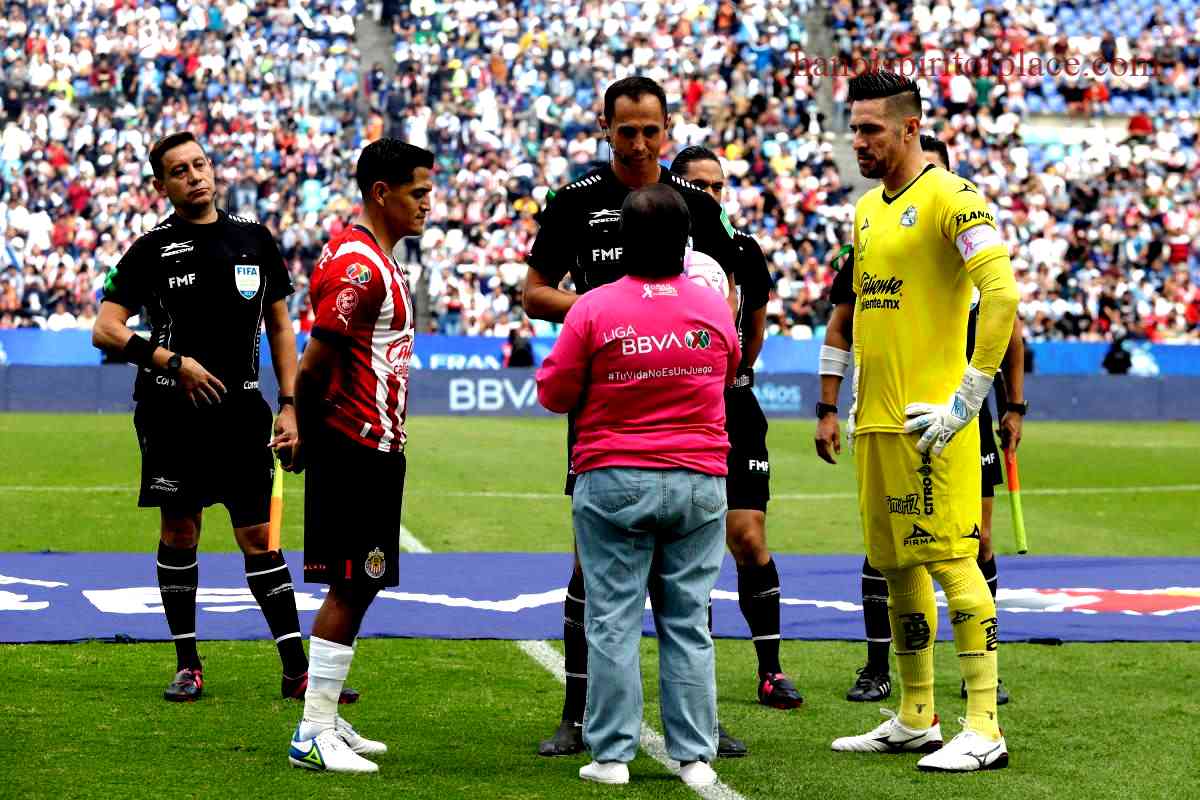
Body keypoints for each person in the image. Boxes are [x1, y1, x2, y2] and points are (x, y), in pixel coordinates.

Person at [523, 76, 747, 758]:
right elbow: (533, 291)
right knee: (590, 571)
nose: (641, 143)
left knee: (685, 575)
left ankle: (697, 722)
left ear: (667, 129)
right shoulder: (576, 201)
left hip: (682, 406)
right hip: (603, 409)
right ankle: (576, 712)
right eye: (628, 131)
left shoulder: (696, 204)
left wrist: (646, 314)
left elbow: (727, 292)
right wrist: (604, 313)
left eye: (652, 130)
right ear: (606, 127)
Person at [92, 132, 356, 706]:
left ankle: (296, 670)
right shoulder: (149, 249)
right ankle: (188, 663)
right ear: (161, 185)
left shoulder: (254, 239)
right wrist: (172, 362)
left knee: (258, 537)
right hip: (170, 412)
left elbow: (282, 326)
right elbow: (106, 328)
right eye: (179, 171)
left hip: (241, 411)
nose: (194, 176)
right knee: (179, 531)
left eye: (200, 164)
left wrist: (290, 404)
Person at [823, 71, 1019, 772]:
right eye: (854, 128)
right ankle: (915, 715)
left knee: (951, 562)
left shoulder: (954, 197)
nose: (859, 141)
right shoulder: (868, 210)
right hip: (875, 422)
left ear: (910, 128)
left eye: (871, 128)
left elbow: (1001, 295)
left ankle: (986, 727)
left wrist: (968, 400)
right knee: (894, 561)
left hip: (931, 423)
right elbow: (862, 313)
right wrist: (843, 400)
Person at [284, 138, 433, 774]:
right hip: (353, 444)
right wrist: (301, 425)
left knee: (362, 582)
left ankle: (325, 717)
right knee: (352, 583)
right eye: (418, 192)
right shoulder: (359, 267)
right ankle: (313, 730)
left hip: (375, 443)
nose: (428, 203)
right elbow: (316, 364)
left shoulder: (381, 260)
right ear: (382, 193)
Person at [669, 145, 803, 709]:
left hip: (733, 402)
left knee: (747, 536)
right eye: (698, 185)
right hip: (679, 406)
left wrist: (740, 370)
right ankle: (694, 683)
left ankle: (769, 670)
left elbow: (756, 318)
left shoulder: (744, 249)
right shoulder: (660, 248)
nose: (709, 196)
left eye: (717, 186)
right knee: (689, 548)